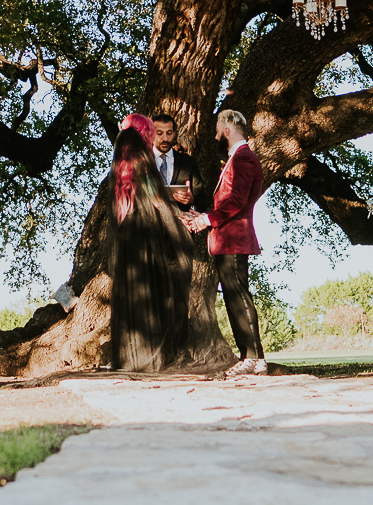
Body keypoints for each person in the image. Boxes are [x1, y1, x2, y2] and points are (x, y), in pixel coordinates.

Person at [182, 109, 268, 378]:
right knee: (233, 297)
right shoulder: (236, 159)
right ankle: (251, 357)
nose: (216, 134)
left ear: (228, 129)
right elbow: (229, 202)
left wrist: (207, 220)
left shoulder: (244, 158)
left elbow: (237, 202)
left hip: (235, 239)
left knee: (238, 295)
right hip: (227, 238)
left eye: (219, 128)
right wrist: (204, 215)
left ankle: (254, 358)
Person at [109, 115, 196, 372]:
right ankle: (152, 359)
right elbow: (156, 200)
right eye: (150, 133)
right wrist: (181, 218)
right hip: (144, 237)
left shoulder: (121, 164)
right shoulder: (142, 161)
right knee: (151, 295)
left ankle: (129, 359)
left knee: (131, 297)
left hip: (125, 235)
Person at [150, 114, 201, 207]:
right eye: (159, 133)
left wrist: (192, 200)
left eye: (169, 133)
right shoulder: (141, 161)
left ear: (174, 133)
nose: (165, 138)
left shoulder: (189, 162)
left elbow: (202, 199)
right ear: (151, 134)